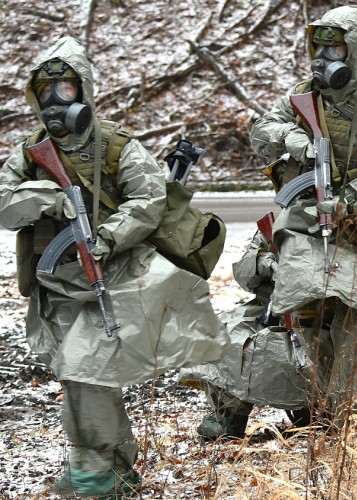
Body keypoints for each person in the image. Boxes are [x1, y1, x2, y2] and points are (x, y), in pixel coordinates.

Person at [0, 37, 227, 497]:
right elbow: (4, 205)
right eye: (45, 93)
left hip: (116, 275)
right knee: (78, 372)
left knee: (87, 369)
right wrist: (49, 198)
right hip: (55, 281)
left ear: (84, 90)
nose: (54, 102)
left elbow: (149, 200)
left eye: (64, 90)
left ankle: (94, 470)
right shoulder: (29, 155)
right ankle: (117, 466)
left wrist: (105, 238)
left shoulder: (117, 146)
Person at [192, 5, 357, 436]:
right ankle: (243, 410)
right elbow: (262, 130)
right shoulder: (304, 96)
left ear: (355, 51)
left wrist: (346, 200)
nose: (323, 58)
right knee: (270, 319)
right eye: (317, 48)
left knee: (355, 331)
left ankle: (344, 423)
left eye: (334, 47)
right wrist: (294, 138)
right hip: (308, 222)